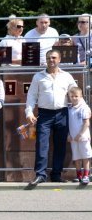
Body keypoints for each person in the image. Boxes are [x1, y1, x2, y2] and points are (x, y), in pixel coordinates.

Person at [25, 49, 77, 187]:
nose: (51, 60)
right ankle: (40, 175)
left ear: (59, 59)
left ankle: (56, 175)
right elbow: (31, 96)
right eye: (48, 58)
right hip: (44, 114)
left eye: (54, 58)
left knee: (60, 146)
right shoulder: (38, 76)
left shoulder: (67, 76)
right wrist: (29, 113)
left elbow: (75, 93)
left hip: (62, 113)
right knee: (42, 145)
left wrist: (82, 108)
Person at [66, 86, 91, 185]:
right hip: (73, 138)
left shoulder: (84, 108)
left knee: (85, 156)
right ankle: (79, 176)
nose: (74, 98)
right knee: (76, 157)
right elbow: (69, 124)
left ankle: (86, 175)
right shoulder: (69, 109)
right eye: (72, 96)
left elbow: (86, 123)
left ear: (81, 96)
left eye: (76, 96)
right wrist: (69, 135)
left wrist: (80, 134)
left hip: (83, 137)